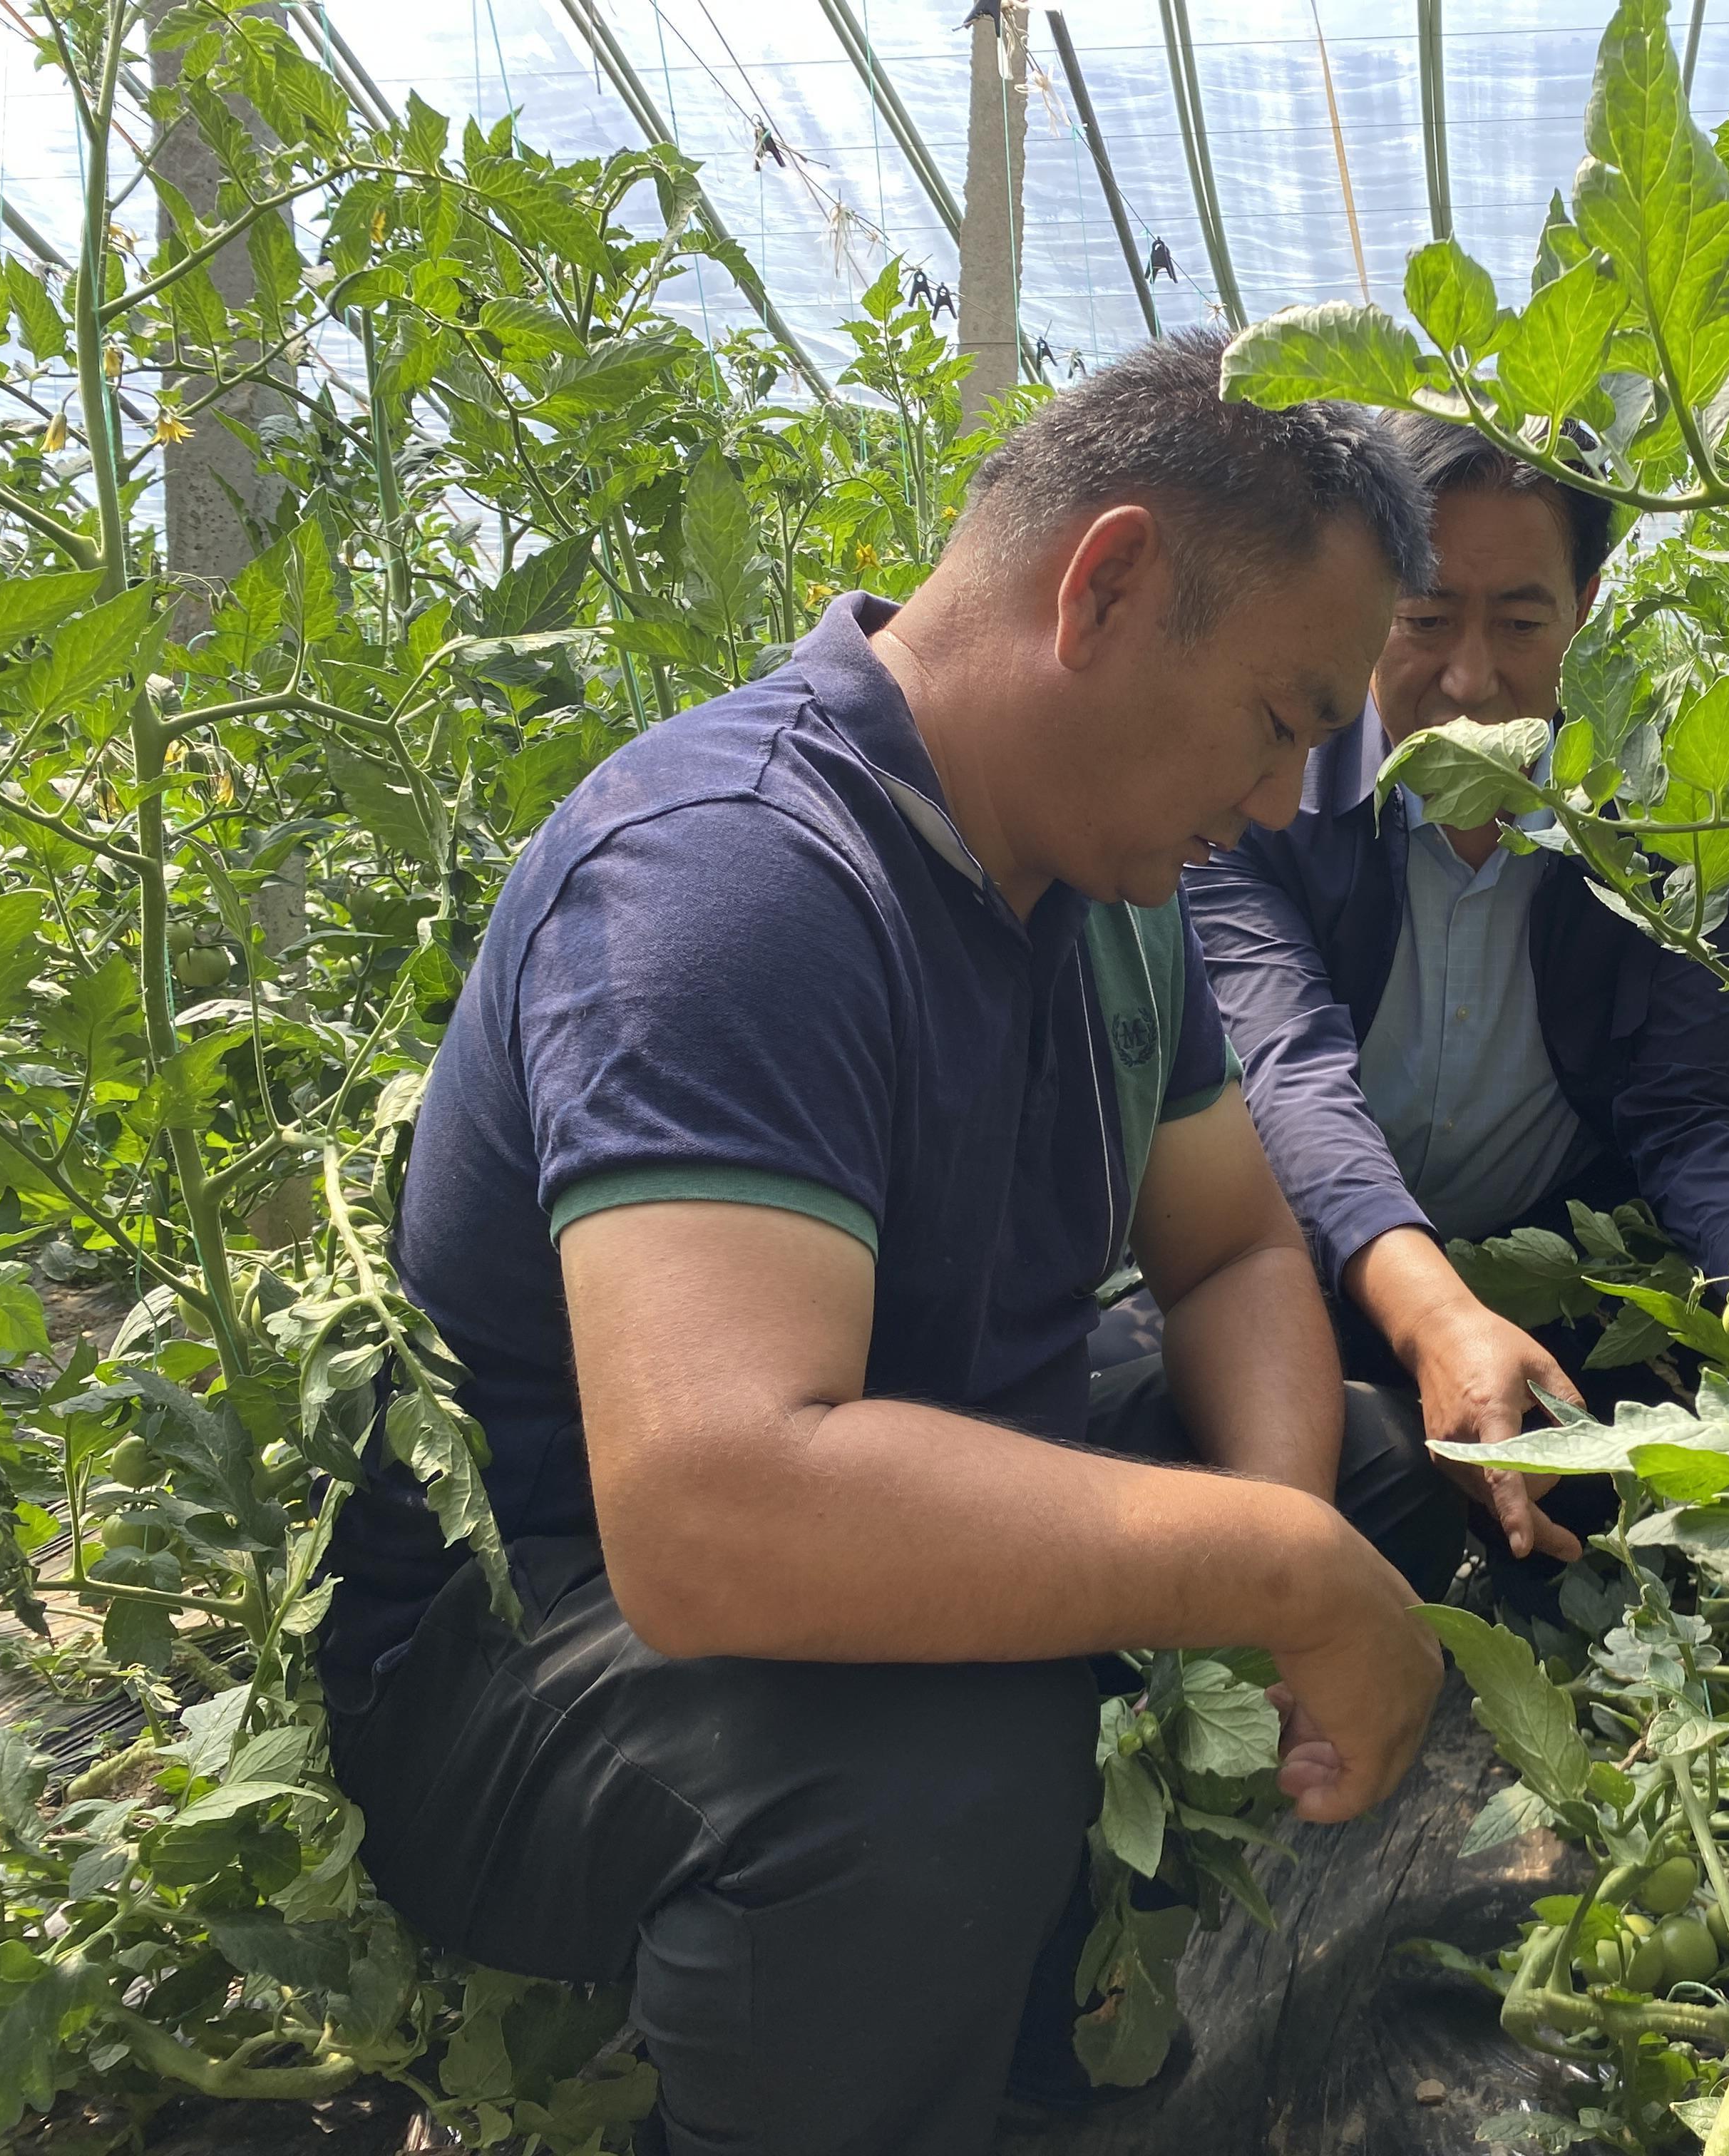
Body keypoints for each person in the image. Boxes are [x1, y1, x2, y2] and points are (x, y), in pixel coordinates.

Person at [316, 333, 1467, 2156]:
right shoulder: (739, 875)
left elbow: (1238, 1252)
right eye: (1279, 722)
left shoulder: (1110, 898)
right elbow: (714, 1508)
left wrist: (1290, 1535)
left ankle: (1013, 1983)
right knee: (934, 1773)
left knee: (1374, 1465)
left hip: (886, 1459)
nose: (1274, 806)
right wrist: (1270, 1581)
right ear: (1107, 588)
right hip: (537, 1645)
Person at [1181, 416, 1729, 1575]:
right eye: (1427, 619)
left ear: (1587, 605)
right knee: (1363, 1470)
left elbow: (1688, 1113)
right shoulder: (1264, 806)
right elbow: (1288, 1077)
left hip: (1555, 1271)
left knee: (1681, 1503)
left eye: (1521, 622)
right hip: (1322, 1268)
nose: (1471, 678)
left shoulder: (1665, 833)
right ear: (1368, 602)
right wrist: (1438, 1319)